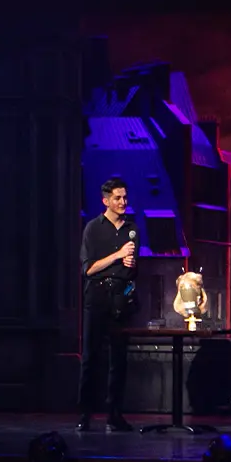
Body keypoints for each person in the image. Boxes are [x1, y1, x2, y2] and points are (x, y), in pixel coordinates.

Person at [78, 177, 138, 433]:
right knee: (91, 357)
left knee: (119, 360)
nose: (123, 202)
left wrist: (132, 265)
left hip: (120, 298)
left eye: (125, 197)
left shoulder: (132, 229)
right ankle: (85, 414)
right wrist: (117, 256)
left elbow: (135, 269)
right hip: (97, 297)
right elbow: (88, 269)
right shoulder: (93, 228)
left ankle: (114, 414)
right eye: (117, 198)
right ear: (105, 201)